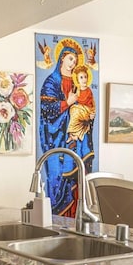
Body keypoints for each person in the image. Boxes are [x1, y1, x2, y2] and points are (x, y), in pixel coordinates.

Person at [39, 38, 95, 218]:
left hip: (76, 140)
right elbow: (47, 111)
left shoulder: (77, 83)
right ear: (62, 58)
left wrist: (89, 116)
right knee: (58, 180)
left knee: (77, 179)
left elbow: (85, 107)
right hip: (55, 140)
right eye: (71, 59)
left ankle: (75, 218)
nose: (73, 64)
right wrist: (67, 103)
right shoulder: (51, 82)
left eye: (76, 61)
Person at [66, 65, 96, 147]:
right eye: (81, 77)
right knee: (73, 110)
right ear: (77, 80)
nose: (84, 79)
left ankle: (74, 135)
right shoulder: (78, 90)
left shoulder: (88, 90)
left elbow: (87, 102)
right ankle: (73, 135)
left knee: (76, 111)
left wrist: (92, 113)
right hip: (80, 109)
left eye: (85, 77)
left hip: (87, 110)